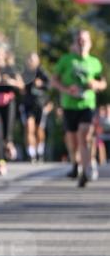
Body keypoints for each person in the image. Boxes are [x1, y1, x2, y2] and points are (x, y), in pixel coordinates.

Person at [51, 29, 106, 187]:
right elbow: (54, 80)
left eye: (84, 40)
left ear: (90, 43)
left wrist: (96, 85)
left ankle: (86, 169)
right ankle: (76, 164)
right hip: (69, 105)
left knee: (84, 135)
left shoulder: (94, 62)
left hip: (87, 105)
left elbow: (103, 83)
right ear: (74, 44)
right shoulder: (66, 60)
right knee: (73, 141)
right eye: (79, 40)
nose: (82, 43)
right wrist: (67, 89)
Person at [0, 45, 24, 176]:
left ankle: (9, 144)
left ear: (4, 55)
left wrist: (10, 82)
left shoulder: (10, 69)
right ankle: (1, 163)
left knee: (7, 134)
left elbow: (21, 86)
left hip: (8, 104)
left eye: (0, 53)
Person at [19, 52, 51, 163]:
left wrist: (41, 84)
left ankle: (40, 151)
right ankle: (31, 153)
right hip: (28, 105)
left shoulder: (41, 72)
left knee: (39, 130)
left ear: (37, 61)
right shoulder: (24, 73)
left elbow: (50, 85)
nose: (30, 62)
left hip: (40, 105)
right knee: (29, 127)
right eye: (29, 60)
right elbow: (20, 88)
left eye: (33, 60)